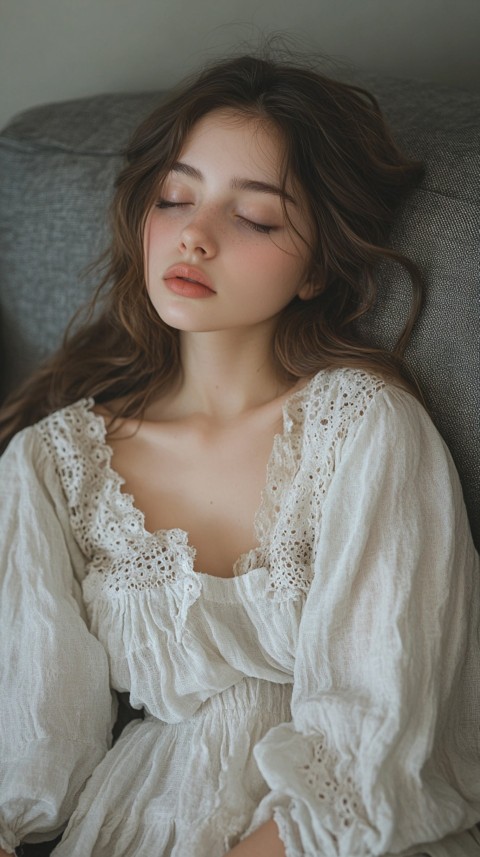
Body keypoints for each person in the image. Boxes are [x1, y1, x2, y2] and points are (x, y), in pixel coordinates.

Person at [0, 50, 479, 857]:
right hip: (135, 820)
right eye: (175, 196)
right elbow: (28, 746)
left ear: (316, 265)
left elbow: (382, 736)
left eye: (253, 217)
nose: (194, 233)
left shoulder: (367, 430)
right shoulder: (52, 463)